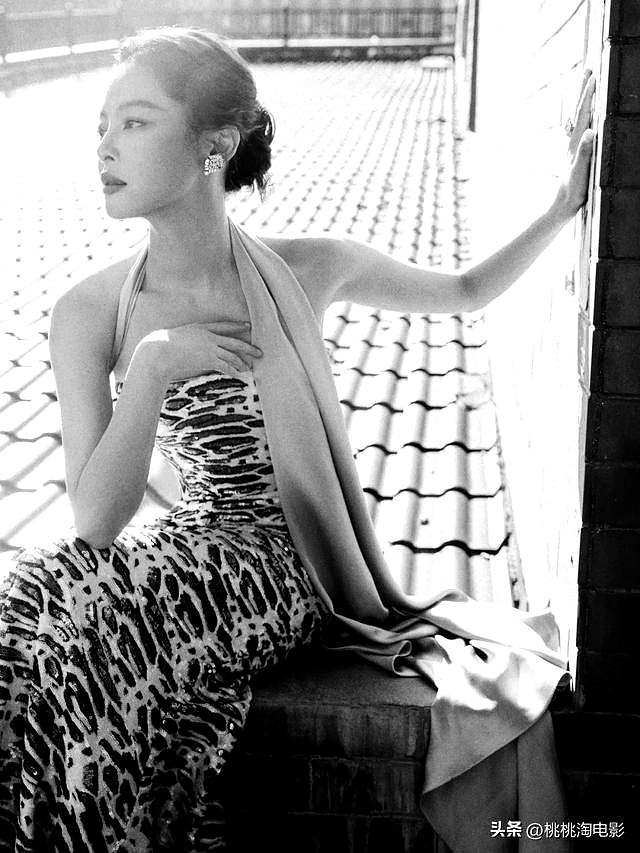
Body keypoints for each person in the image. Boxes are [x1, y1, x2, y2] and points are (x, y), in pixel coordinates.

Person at [0, 25, 596, 853]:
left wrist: (563, 207)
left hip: (288, 562)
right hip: (189, 542)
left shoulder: (308, 268)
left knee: (91, 639)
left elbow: (463, 291)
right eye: (102, 125)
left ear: (214, 148)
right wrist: (154, 368)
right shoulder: (90, 310)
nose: (105, 145)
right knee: (26, 608)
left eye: (134, 122)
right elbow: (96, 521)